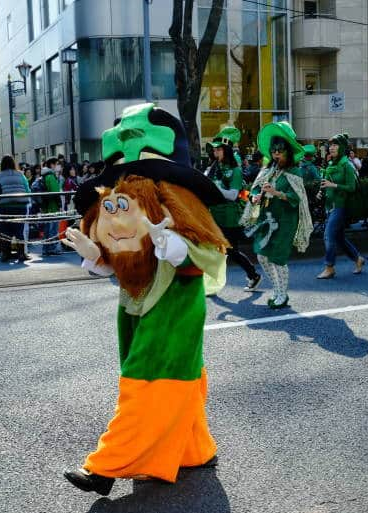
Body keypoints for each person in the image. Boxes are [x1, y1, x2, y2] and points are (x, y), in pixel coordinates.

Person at [61, 103, 229, 496]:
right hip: (136, 310)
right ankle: (196, 450)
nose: (116, 216)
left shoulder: (179, 225)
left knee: (145, 387)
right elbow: (124, 269)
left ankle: (105, 468)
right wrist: (95, 254)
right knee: (181, 386)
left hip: (173, 314)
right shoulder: (127, 234)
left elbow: (202, 255)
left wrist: (166, 239)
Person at [241, 122, 312, 309]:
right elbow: (255, 188)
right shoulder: (268, 170)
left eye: (280, 151)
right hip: (267, 219)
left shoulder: (295, 172)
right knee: (262, 256)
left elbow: (296, 198)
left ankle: (283, 295)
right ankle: (277, 290)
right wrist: (255, 196)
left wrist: (276, 193)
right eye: (273, 151)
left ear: (287, 152)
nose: (276, 154)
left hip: (285, 220)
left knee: (278, 258)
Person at [206, 127, 262, 291]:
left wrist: (215, 188)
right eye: (214, 149)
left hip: (229, 217)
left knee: (231, 251)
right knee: (215, 249)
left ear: (227, 150)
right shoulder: (215, 167)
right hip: (214, 214)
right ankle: (212, 283)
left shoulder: (235, 170)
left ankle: (253, 275)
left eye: (218, 149)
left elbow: (233, 195)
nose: (215, 152)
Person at [316, 133, 365, 279]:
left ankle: (329, 267)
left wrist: (333, 185)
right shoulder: (332, 163)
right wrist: (321, 192)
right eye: (330, 145)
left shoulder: (346, 165)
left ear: (342, 147)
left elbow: (352, 187)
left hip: (341, 206)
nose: (331, 148)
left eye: (335, 145)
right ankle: (358, 259)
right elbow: (326, 183)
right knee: (339, 238)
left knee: (328, 235)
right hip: (329, 206)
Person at [0, 155, 31, 262]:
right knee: (19, 231)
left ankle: (5, 254)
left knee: (5, 231)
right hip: (20, 205)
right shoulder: (20, 175)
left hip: (5, 206)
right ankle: (21, 254)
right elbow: (27, 190)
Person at [40, 157, 62, 256]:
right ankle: (52, 248)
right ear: (52, 165)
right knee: (53, 228)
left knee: (47, 228)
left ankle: (46, 249)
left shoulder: (44, 175)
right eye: (57, 164)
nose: (58, 166)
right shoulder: (51, 176)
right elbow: (55, 192)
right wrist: (59, 205)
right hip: (52, 206)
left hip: (46, 206)